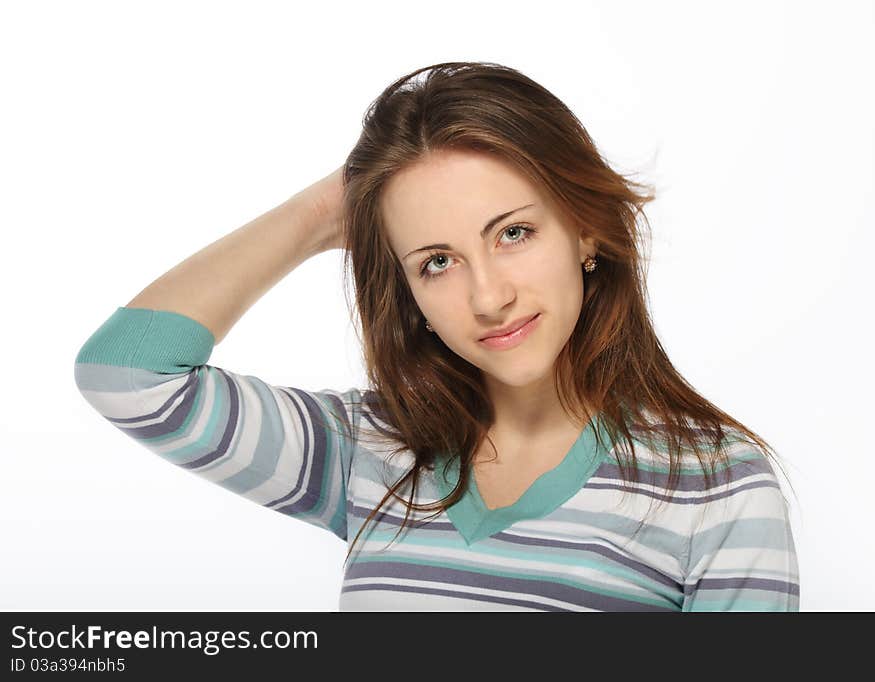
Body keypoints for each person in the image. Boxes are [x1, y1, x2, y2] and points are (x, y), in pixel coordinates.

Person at [74, 61, 800, 611]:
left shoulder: (716, 486)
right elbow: (127, 377)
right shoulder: (368, 449)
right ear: (411, 294)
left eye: (514, 233)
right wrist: (324, 213)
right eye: (438, 262)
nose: (488, 296)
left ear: (585, 229)